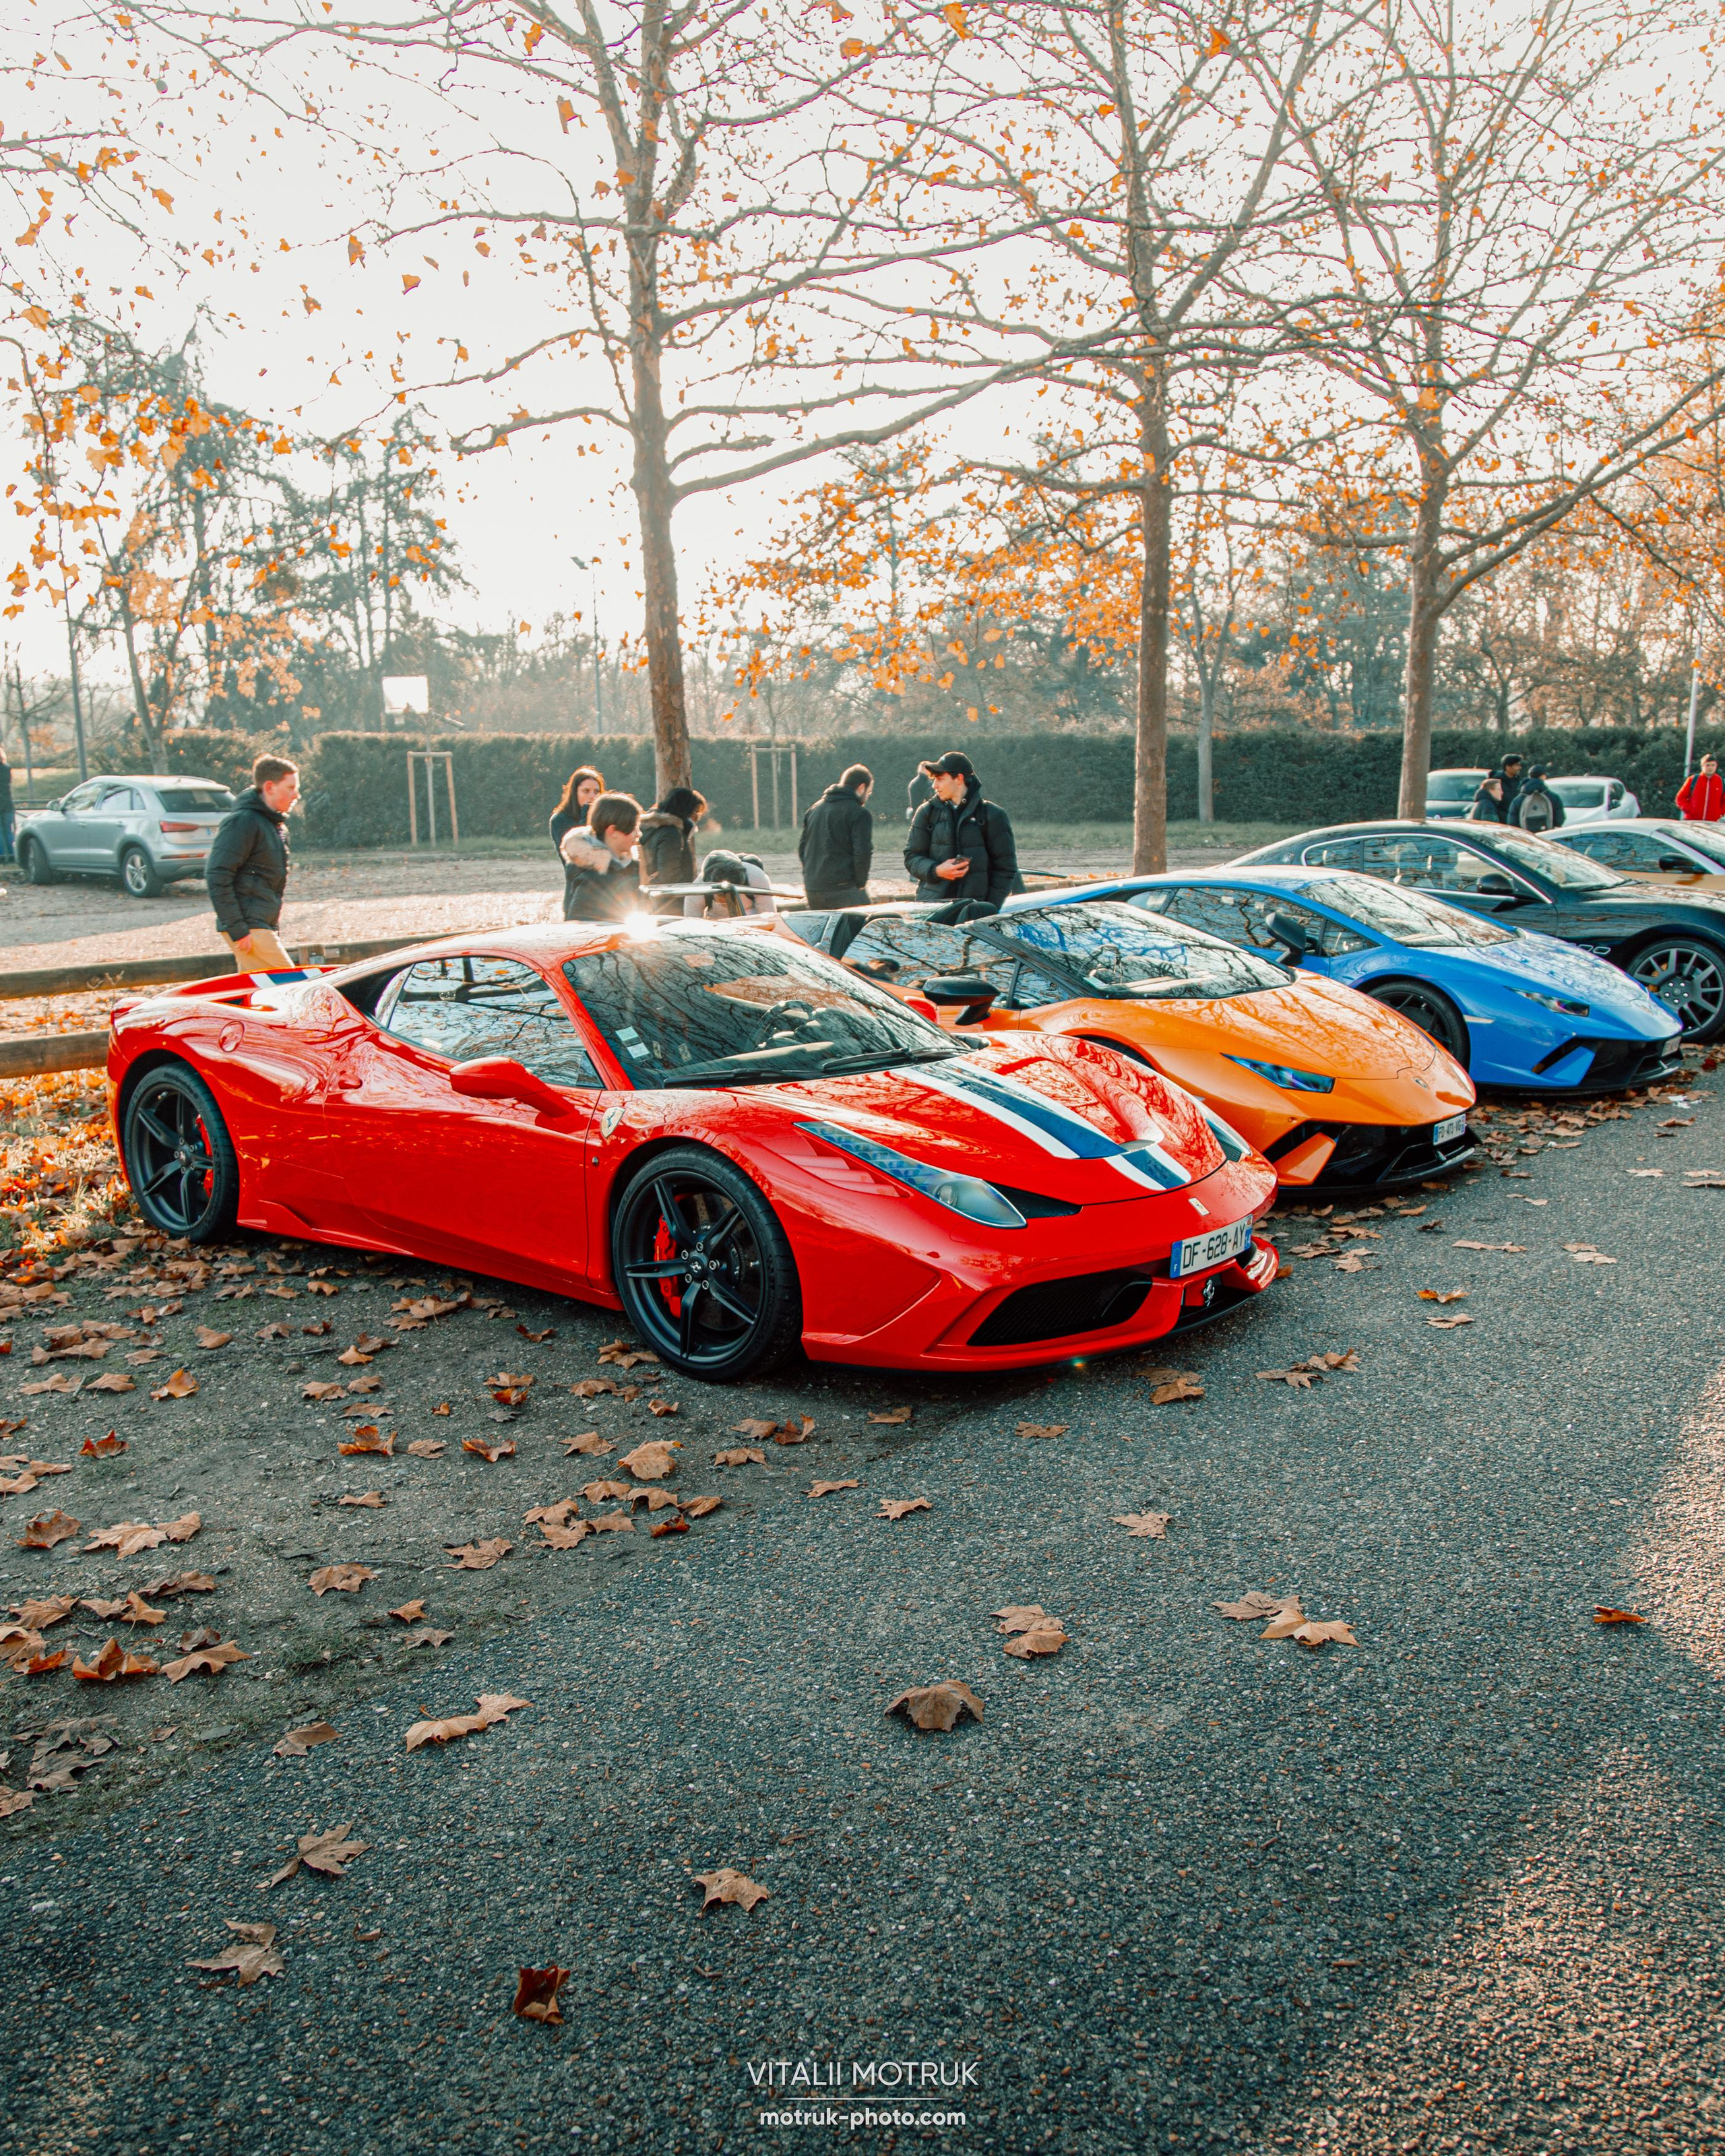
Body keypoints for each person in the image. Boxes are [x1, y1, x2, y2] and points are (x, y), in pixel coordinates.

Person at [206, 755, 299, 972]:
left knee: (259, 994)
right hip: (250, 928)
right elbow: (217, 874)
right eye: (291, 787)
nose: (296, 794)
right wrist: (238, 929)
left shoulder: (274, 826)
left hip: (259, 926)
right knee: (290, 989)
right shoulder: (244, 821)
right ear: (270, 787)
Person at [904, 750, 1017, 906]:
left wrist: (987, 908)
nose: (935, 785)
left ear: (959, 779)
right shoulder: (926, 812)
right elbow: (912, 858)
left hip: (975, 914)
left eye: (940, 779)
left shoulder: (993, 815)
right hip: (932, 910)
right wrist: (936, 870)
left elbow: (1006, 869)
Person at [798, 763, 873, 909]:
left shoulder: (814, 809)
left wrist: (811, 877)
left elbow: (802, 850)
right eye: (869, 792)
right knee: (865, 924)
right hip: (843, 888)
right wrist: (860, 883)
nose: (868, 796)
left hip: (813, 888)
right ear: (861, 788)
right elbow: (862, 852)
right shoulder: (859, 813)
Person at [559, 790, 642, 921]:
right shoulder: (592, 878)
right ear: (613, 831)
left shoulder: (630, 867)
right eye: (634, 828)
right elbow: (582, 930)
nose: (639, 834)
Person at [636, 784, 707, 911]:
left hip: (654, 899)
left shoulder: (652, 828)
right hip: (672, 902)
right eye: (695, 812)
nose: (697, 818)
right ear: (685, 811)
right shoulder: (671, 833)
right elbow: (670, 874)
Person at [684, 848, 776, 918]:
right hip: (717, 926)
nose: (726, 899)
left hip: (752, 923)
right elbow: (692, 925)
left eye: (731, 894)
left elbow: (768, 917)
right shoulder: (698, 890)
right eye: (721, 895)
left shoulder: (756, 877)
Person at [551, 765, 605, 858]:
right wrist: (587, 816)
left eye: (596, 792)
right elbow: (575, 855)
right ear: (575, 793)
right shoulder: (560, 820)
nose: (593, 796)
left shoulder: (606, 817)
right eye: (586, 791)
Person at [1509, 763, 1565, 833]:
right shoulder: (1554, 797)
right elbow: (1560, 820)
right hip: (1547, 836)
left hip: (1526, 839)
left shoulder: (1517, 800)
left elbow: (1512, 823)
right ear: (1543, 776)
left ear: (1530, 776)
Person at [1469, 753, 1523, 823]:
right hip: (1501, 821)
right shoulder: (1496, 782)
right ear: (1508, 767)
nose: (1520, 768)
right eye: (1516, 765)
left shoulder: (1518, 781)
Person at [1676, 754, 1724, 823]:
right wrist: (1690, 810)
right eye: (1707, 765)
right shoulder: (1693, 780)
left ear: (1716, 766)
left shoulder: (1721, 782)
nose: (1710, 768)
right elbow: (1680, 798)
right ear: (1702, 766)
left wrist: (1720, 813)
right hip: (1692, 822)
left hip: (1712, 823)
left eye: (1713, 765)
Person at [0, 751, 13, 866]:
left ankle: (3, 857)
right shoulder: (7, 768)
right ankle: (13, 854)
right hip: (8, 804)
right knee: (8, 831)